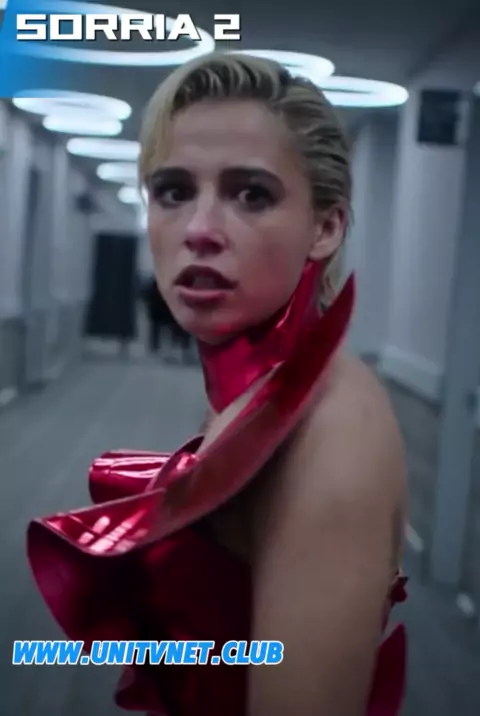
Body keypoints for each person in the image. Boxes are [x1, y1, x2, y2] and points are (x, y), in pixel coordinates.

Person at [26, 51, 408, 716]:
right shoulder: (264, 387)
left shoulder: (333, 433)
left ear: (325, 227)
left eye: (251, 194)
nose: (200, 231)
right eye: (174, 192)